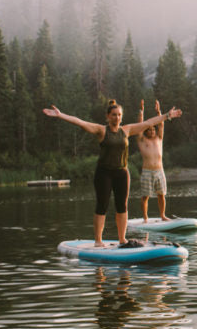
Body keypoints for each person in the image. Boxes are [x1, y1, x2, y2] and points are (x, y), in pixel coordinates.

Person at [43, 99, 182, 247]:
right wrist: (60, 115)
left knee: (122, 206)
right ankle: (98, 241)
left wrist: (167, 115)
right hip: (104, 173)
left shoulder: (126, 130)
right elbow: (80, 122)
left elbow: (148, 123)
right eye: (114, 115)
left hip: (122, 173)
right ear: (108, 116)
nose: (117, 117)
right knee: (102, 206)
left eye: (119, 115)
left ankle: (122, 239)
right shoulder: (101, 130)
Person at [136, 99, 170, 222]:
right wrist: (141, 111)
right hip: (147, 171)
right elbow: (139, 126)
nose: (152, 131)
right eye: (149, 130)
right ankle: (145, 217)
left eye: (153, 129)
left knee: (161, 194)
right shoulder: (142, 140)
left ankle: (162, 215)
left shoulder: (159, 138)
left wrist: (158, 112)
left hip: (159, 171)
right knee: (145, 196)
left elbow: (161, 124)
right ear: (146, 132)